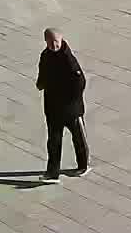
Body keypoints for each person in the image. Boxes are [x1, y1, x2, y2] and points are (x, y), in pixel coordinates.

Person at [36, 28, 89, 180]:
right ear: (45, 41)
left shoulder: (68, 58)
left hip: (71, 109)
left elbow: (80, 82)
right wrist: (40, 83)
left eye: (56, 42)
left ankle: (83, 165)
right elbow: (43, 72)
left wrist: (73, 101)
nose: (54, 45)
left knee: (78, 138)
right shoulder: (45, 55)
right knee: (53, 142)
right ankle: (52, 172)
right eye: (50, 42)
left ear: (61, 40)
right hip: (52, 108)